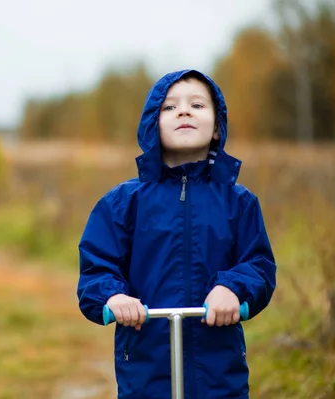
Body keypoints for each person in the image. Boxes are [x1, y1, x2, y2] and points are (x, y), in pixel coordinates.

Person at [76, 69, 277, 399]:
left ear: (217, 128)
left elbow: (259, 265)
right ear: (153, 125)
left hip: (219, 369)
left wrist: (232, 287)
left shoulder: (239, 202)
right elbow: (97, 269)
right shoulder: (122, 203)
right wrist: (114, 297)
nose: (183, 111)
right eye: (169, 107)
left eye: (197, 105)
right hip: (145, 365)